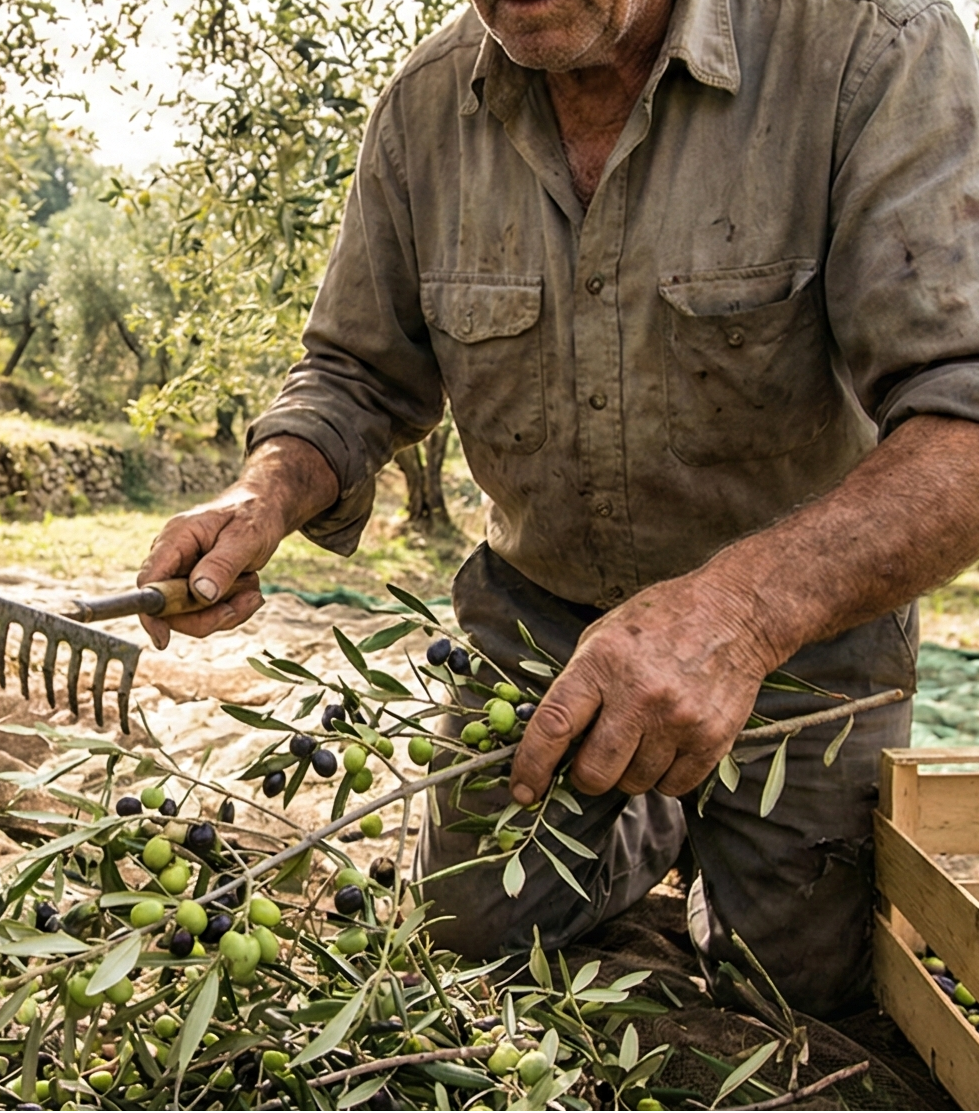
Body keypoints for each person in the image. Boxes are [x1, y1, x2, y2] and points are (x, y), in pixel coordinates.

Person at [138, 0, 979, 1017]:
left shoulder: (869, 49)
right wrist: (262, 491)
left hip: (803, 646)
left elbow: (962, 419)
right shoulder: (425, 106)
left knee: (795, 1000)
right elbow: (354, 376)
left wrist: (737, 617)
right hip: (536, 627)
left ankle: (683, 818)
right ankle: (640, 820)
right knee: (462, 944)